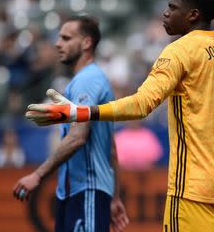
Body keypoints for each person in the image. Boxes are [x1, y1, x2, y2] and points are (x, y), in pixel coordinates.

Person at [25, 0, 214, 232]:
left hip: (193, 185)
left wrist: (80, 112)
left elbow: (142, 104)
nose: (166, 12)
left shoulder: (179, 51)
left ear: (193, 15)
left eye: (173, 7)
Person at [13, 16, 129, 232]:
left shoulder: (88, 79)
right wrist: (114, 198)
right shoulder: (81, 81)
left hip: (87, 191)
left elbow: (78, 136)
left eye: (66, 38)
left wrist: (37, 175)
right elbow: (110, 148)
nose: (58, 43)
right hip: (77, 192)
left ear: (86, 43)